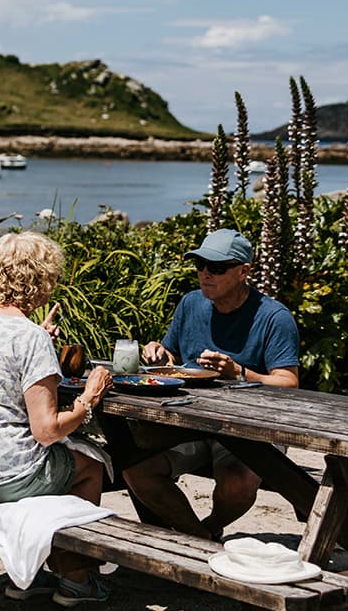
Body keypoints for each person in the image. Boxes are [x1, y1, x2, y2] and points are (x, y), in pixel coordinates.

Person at [0, 231, 114, 606]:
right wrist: (88, 400)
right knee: (92, 465)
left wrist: (37, 336)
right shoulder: (29, 339)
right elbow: (46, 431)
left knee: (60, 462)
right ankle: (75, 577)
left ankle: (27, 578)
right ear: (43, 279)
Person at [122, 228, 299, 540]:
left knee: (237, 482)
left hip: (250, 428)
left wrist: (240, 373)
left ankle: (209, 528)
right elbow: (172, 355)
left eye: (216, 268)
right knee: (136, 469)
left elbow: (289, 383)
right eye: (200, 265)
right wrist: (157, 352)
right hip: (191, 422)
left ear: (245, 272)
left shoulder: (274, 317)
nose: (205, 274)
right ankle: (199, 539)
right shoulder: (191, 304)